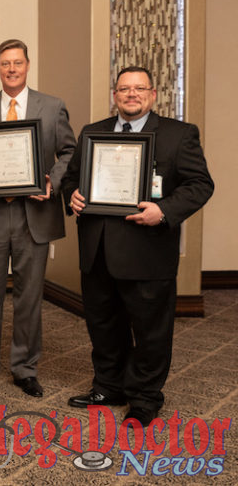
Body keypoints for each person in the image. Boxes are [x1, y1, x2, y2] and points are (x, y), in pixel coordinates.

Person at [61, 67, 213, 426]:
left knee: (150, 331)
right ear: (115, 94)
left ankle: (144, 398)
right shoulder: (92, 132)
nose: (132, 94)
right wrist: (73, 196)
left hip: (147, 253)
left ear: (153, 94)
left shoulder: (179, 134)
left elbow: (200, 184)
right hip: (97, 252)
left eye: (139, 88)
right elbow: (71, 177)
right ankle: (108, 386)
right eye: (124, 89)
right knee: (103, 325)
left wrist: (164, 210)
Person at [0, 40, 77, 398]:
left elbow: (70, 152)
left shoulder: (52, 106)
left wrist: (52, 181)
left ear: (27, 65)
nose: (11, 69)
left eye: (17, 63)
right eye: (4, 64)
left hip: (35, 213)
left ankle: (25, 368)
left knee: (29, 296)